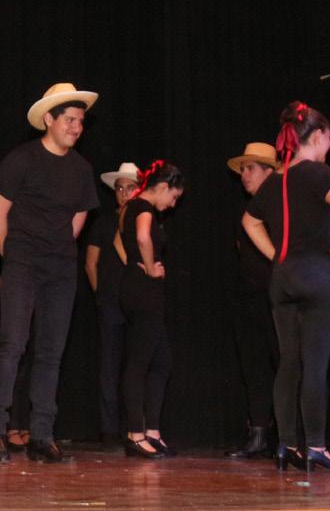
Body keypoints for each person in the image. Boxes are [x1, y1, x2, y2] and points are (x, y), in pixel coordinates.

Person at [0, 83, 100, 464]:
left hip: (61, 268)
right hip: (23, 262)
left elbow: (79, 217)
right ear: (49, 119)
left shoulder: (81, 169)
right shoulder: (21, 160)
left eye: (80, 121)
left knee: (51, 351)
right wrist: (16, 256)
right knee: (13, 343)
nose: (76, 127)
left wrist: (57, 249)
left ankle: (42, 435)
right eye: (70, 120)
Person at [243, 101, 330, 473]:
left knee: (289, 363)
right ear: (318, 135)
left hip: (283, 279)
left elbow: (249, 221)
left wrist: (275, 254)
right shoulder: (319, 173)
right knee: (315, 364)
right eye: (329, 138)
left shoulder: (275, 180)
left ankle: (286, 445)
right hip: (318, 275)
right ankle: (317, 447)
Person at [118, 161, 185, 459]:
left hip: (138, 289)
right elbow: (142, 237)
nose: (173, 204)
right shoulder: (143, 207)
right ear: (163, 187)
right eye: (173, 197)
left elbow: (124, 241)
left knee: (161, 362)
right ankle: (135, 434)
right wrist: (148, 268)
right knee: (140, 361)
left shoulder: (130, 207)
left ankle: (152, 431)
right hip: (143, 290)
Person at [223, 143, 280, 459]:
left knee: (284, 364)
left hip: (277, 298)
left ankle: (290, 438)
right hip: (248, 298)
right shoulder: (245, 211)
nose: (244, 175)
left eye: (251, 168)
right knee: (254, 367)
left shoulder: (282, 209)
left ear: (269, 172)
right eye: (243, 169)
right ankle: (258, 434)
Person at [84, 162, 139, 447]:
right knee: (109, 365)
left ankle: (136, 429)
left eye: (130, 188)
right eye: (120, 188)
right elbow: (90, 262)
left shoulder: (143, 221)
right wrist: (101, 295)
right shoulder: (103, 223)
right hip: (110, 304)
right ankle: (109, 429)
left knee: (136, 364)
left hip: (137, 304)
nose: (124, 193)